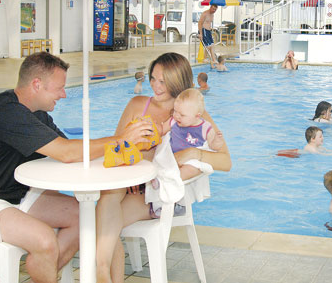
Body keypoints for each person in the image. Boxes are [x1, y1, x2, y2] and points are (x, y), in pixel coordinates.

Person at [0, 52, 150, 283]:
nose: (64, 94)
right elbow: (66, 152)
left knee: (86, 220)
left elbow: (71, 152)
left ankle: (44, 274)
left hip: (18, 196)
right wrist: (121, 139)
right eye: (60, 88)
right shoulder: (4, 112)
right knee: (44, 241)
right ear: (37, 84)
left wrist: (120, 157)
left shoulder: (37, 114)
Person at [95, 52, 231, 283]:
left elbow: (225, 161)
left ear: (178, 82)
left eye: (163, 81)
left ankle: (102, 272)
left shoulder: (192, 114)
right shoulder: (137, 105)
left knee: (101, 224)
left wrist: (194, 153)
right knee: (108, 198)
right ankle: (102, 273)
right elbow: (117, 147)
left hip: (157, 196)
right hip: (128, 183)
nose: (155, 86)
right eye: (153, 78)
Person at [162, 88, 224, 180]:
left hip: (190, 160)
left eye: (182, 115)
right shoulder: (173, 121)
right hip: (173, 155)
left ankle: (172, 179)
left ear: (197, 116)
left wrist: (217, 141)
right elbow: (161, 131)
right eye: (175, 111)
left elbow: (213, 146)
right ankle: (162, 176)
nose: (176, 116)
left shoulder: (205, 127)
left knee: (192, 169)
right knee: (160, 158)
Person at [198, 4, 218, 68]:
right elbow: (200, 23)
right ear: (210, 7)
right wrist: (201, 34)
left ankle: (212, 60)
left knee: (212, 45)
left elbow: (209, 23)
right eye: (213, 9)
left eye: (215, 9)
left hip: (208, 31)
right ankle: (206, 58)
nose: (214, 10)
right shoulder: (205, 14)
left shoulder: (212, 15)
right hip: (203, 30)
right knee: (208, 46)